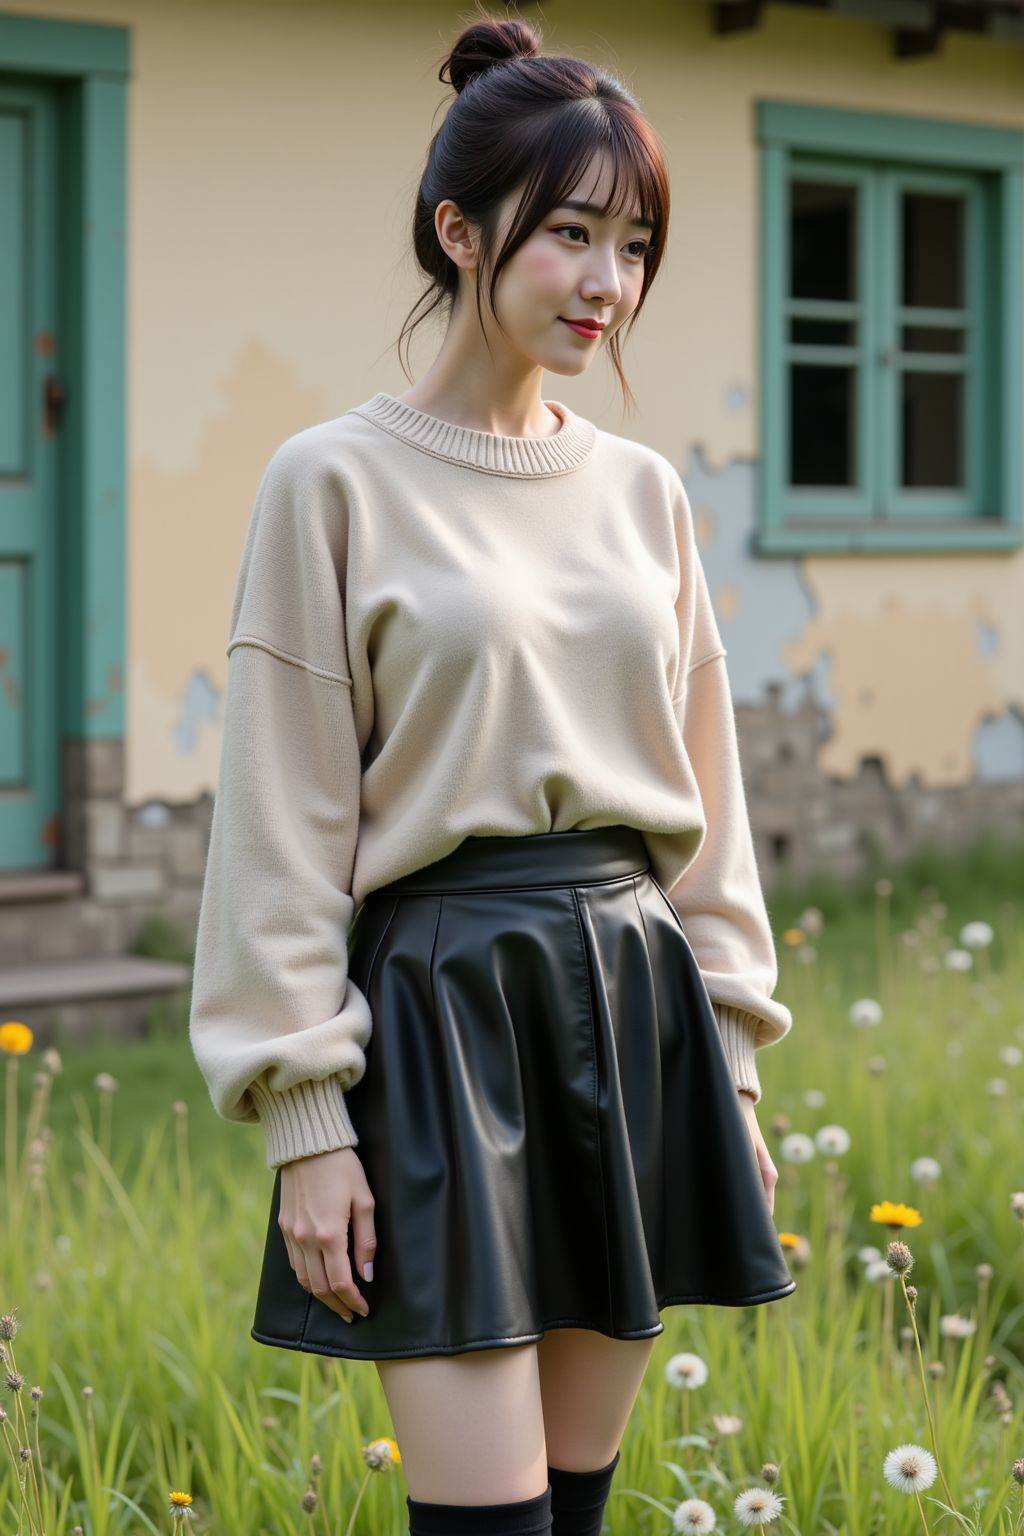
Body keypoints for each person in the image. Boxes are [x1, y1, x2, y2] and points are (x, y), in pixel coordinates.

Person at [188, 12, 798, 1535]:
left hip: (636, 1004)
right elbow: (280, 822)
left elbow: (705, 799)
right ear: (461, 232)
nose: (609, 284)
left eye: (636, 246)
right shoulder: (332, 480)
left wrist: (729, 1057)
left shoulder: (645, 494)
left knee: (577, 1510)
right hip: (443, 1011)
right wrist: (306, 1122)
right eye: (572, 233)